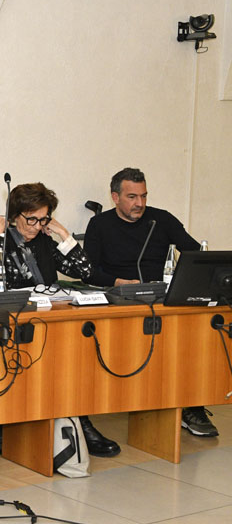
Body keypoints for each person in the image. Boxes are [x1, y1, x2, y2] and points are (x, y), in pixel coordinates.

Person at [0, 182, 119, 457]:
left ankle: (78, 420)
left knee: (76, 358)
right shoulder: (1, 242)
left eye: (42, 219)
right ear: (14, 216)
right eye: (30, 219)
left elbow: (86, 271)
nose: (35, 226)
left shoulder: (45, 242)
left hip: (50, 325)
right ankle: (12, 426)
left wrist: (64, 234)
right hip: (16, 329)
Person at [84, 167, 216, 437]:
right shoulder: (100, 225)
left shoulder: (161, 220)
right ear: (115, 197)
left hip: (164, 299)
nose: (140, 204)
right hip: (120, 299)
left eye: (143, 196)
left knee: (193, 338)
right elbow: (88, 271)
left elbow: (194, 253)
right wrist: (117, 282)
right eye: (132, 197)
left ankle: (191, 405)